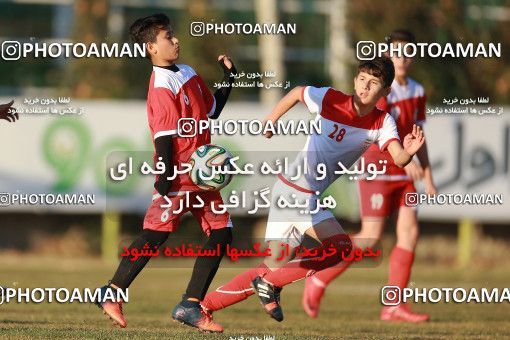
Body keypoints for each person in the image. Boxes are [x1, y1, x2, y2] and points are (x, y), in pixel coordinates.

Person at [200, 56, 425, 326]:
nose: (365, 87)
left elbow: (398, 157)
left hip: (293, 192)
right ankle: (269, 284)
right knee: (340, 247)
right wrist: (271, 119)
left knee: (272, 265)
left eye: (374, 83)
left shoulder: (382, 122)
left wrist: (409, 152)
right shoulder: (330, 98)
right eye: (362, 79)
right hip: (296, 191)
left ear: (385, 91)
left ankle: (203, 306)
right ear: (355, 79)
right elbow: (296, 93)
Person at [95, 13, 237, 333]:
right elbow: (164, 137)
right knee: (155, 234)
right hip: (179, 173)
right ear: (151, 48)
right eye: (166, 37)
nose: (174, 40)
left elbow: (212, 110)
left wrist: (229, 78)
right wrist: (164, 177)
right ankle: (111, 292)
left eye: (172, 34)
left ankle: (190, 305)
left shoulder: (187, 71)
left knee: (222, 232)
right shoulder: (160, 86)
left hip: (201, 176)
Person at [302, 29, 437, 323]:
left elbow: (417, 135)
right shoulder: (380, 90)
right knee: (371, 238)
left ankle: (393, 305)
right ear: (386, 53)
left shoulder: (416, 90)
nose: (402, 58)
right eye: (396, 51)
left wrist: (426, 174)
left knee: (409, 234)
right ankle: (319, 278)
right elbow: (379, 132)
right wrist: (406, 159)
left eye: (408, 52)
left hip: (405, 170)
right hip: (379, 168)